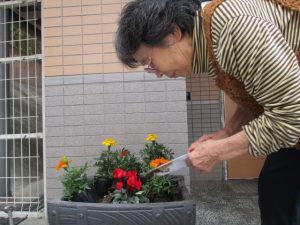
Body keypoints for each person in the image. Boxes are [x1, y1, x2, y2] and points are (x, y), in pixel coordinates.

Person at [115, 0, 300, 224]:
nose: (157, 74)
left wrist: (218, 150)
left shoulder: (234, 28)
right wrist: (228, 131)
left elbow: (291, 115)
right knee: (276, 189)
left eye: (150, 61)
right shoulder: (209, 43)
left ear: (173, 32)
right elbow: (261, 89)